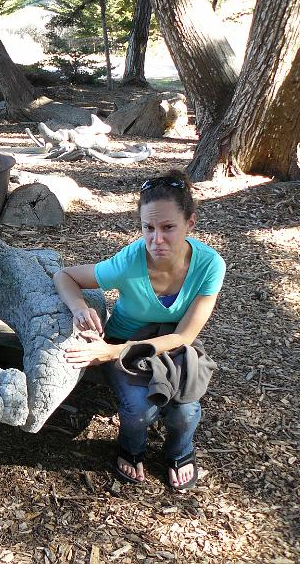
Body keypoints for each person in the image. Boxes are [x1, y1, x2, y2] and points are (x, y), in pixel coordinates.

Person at [52, 170, 225, 490]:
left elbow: (184, 337)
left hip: (172, 344)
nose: (156, 240)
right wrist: (79, 308)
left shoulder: (210, 266)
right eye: (148, 228)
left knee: (185, 411)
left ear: (191, 223)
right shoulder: (130, 261)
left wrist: (109, 353)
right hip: (126, 338)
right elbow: (65, 276)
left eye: (168, 227)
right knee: (139, 409)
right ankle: (131, 449)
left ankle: (180, 450)